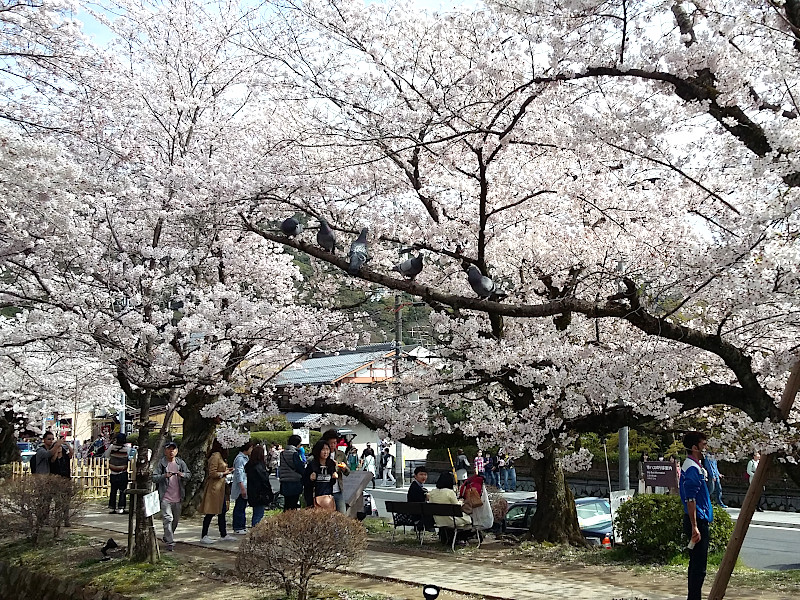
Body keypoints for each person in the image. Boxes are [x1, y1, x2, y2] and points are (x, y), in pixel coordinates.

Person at [679, 431, 714, 600]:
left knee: (696, 565)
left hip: (698, 519)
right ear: (694, 447)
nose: (705, 448)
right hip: (697, 520)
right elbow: (690, 499)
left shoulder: (693, 465)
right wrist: (694, 527)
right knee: (699, 567)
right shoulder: (692, 469)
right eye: (703, 445)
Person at [152, 441, 190, 551]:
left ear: (177, 451)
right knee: (168, 518)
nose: (171, 451)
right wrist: (164, 476)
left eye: (173, 449)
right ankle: (170, 542)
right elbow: (154, 477)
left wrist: (182, 475)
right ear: (165, 451)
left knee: (175, 520)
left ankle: (168, 536)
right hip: (165, 496)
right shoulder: (161, 463)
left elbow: (189, 474)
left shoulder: (180, 463)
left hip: (178, 496)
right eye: (169, 449)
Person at [198, 439, 234, 544]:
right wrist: (224, 473)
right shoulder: (215, 456)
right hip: (214, 488)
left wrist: (226, 471)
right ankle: (204, 535)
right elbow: (212, 473)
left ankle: (223, 534)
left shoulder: (220, 456)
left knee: (222, 511)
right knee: (211, 511)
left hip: (220, 488)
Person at [428, 471, 472, 545]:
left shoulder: (432, 492)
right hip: (451, 520)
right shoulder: (449, 492)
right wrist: (461, 502)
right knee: (469, 519)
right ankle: (460, 538)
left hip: (439, 520)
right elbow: (456, 506)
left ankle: (449, 538)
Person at [321, 429, 350, 513]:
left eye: (335, 443)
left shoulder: (341, 454)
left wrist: (344, 468)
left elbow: (347, 472)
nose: (333, 445)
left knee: (341, 513)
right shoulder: (322, 454)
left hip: (337, 489)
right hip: (324, 490)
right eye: (331, 443)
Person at [303, 440, 338, 510]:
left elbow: (331, 482)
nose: (326, 452)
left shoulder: (331, 464)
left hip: (328, 499)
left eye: (327, 449)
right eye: (323, 450)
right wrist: (310, 478)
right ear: (318, 451)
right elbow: (304, 482)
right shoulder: (312, 464)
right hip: (314, 498)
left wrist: (334, 477)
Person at [245, 444, 273, 527]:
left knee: (256, 513)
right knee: (258, 514)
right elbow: (264, 479)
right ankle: (255, 532)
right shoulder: (258, 466)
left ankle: (254, 530)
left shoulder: (250, 465)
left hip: (252, 491)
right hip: (260, 493)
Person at [231, 440, 253, 534]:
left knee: (242, 506)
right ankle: (238, 527)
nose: (251, 450)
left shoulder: (245, 458)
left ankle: (242, 526)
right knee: (239, 506)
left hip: (245, 484)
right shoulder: (240, 459)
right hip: (241, 486)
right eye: (251, 448)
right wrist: (242, 487)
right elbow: (239, 473)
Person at [104, 433, 130, 514]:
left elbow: (106, 455)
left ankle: (112, 508)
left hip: (113, 473)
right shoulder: (127, 448)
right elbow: (130, 458)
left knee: (113, 491)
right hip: (122, 472)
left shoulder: (112, 447)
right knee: (122, 491)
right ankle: (121, 508)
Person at [279, 434, 305, 510]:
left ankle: (285, 519)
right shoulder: (294, 453)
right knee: (293, 504)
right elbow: (299, 467)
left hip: (284, 481)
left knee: (287, 504)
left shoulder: (282, 453)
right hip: (294, 481)